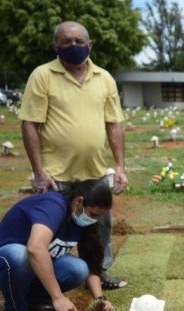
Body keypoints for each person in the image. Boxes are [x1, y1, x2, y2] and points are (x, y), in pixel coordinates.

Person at [19, 20, 128, 290]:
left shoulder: (104, 78)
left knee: (99, 228)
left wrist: (121, 166)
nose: (74, 46)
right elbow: (30, 123)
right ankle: (48, 283)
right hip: (55, 174)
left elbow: (114, 124)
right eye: (66, 41)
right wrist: (39, 171)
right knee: (51, 231)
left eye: (80, 42)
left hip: (95, 171)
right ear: (55, 45)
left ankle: (99, 274)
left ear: (90, 45)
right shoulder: (42, 76)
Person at [0, 179, 116, 311]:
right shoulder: (53, 206)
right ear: (79, 201)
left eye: (98, 217)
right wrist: (57, 297)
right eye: (93, 214)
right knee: (21, 253)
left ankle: (35, 304)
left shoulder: (81, 220)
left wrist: (100, 300)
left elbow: (91, 264)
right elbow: (36, 248)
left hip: (27, 269)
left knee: (78, 269)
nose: (94, 220)